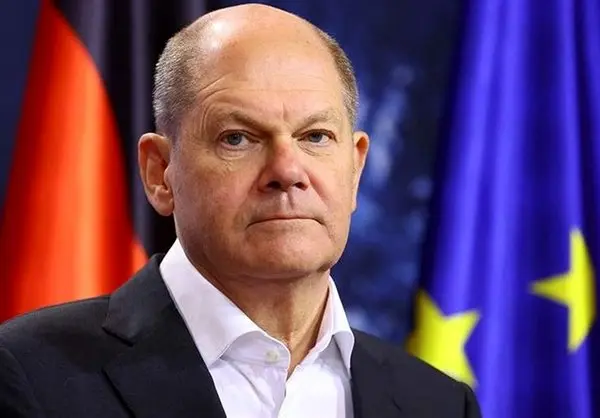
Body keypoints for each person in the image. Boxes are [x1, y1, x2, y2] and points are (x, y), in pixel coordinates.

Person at [0, 4, 481, 417]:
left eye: (315, 136)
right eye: (238, 138)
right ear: (160, 172)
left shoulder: (438, 404)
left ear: (355, 169)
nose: (287, 170)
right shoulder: (30, 376)